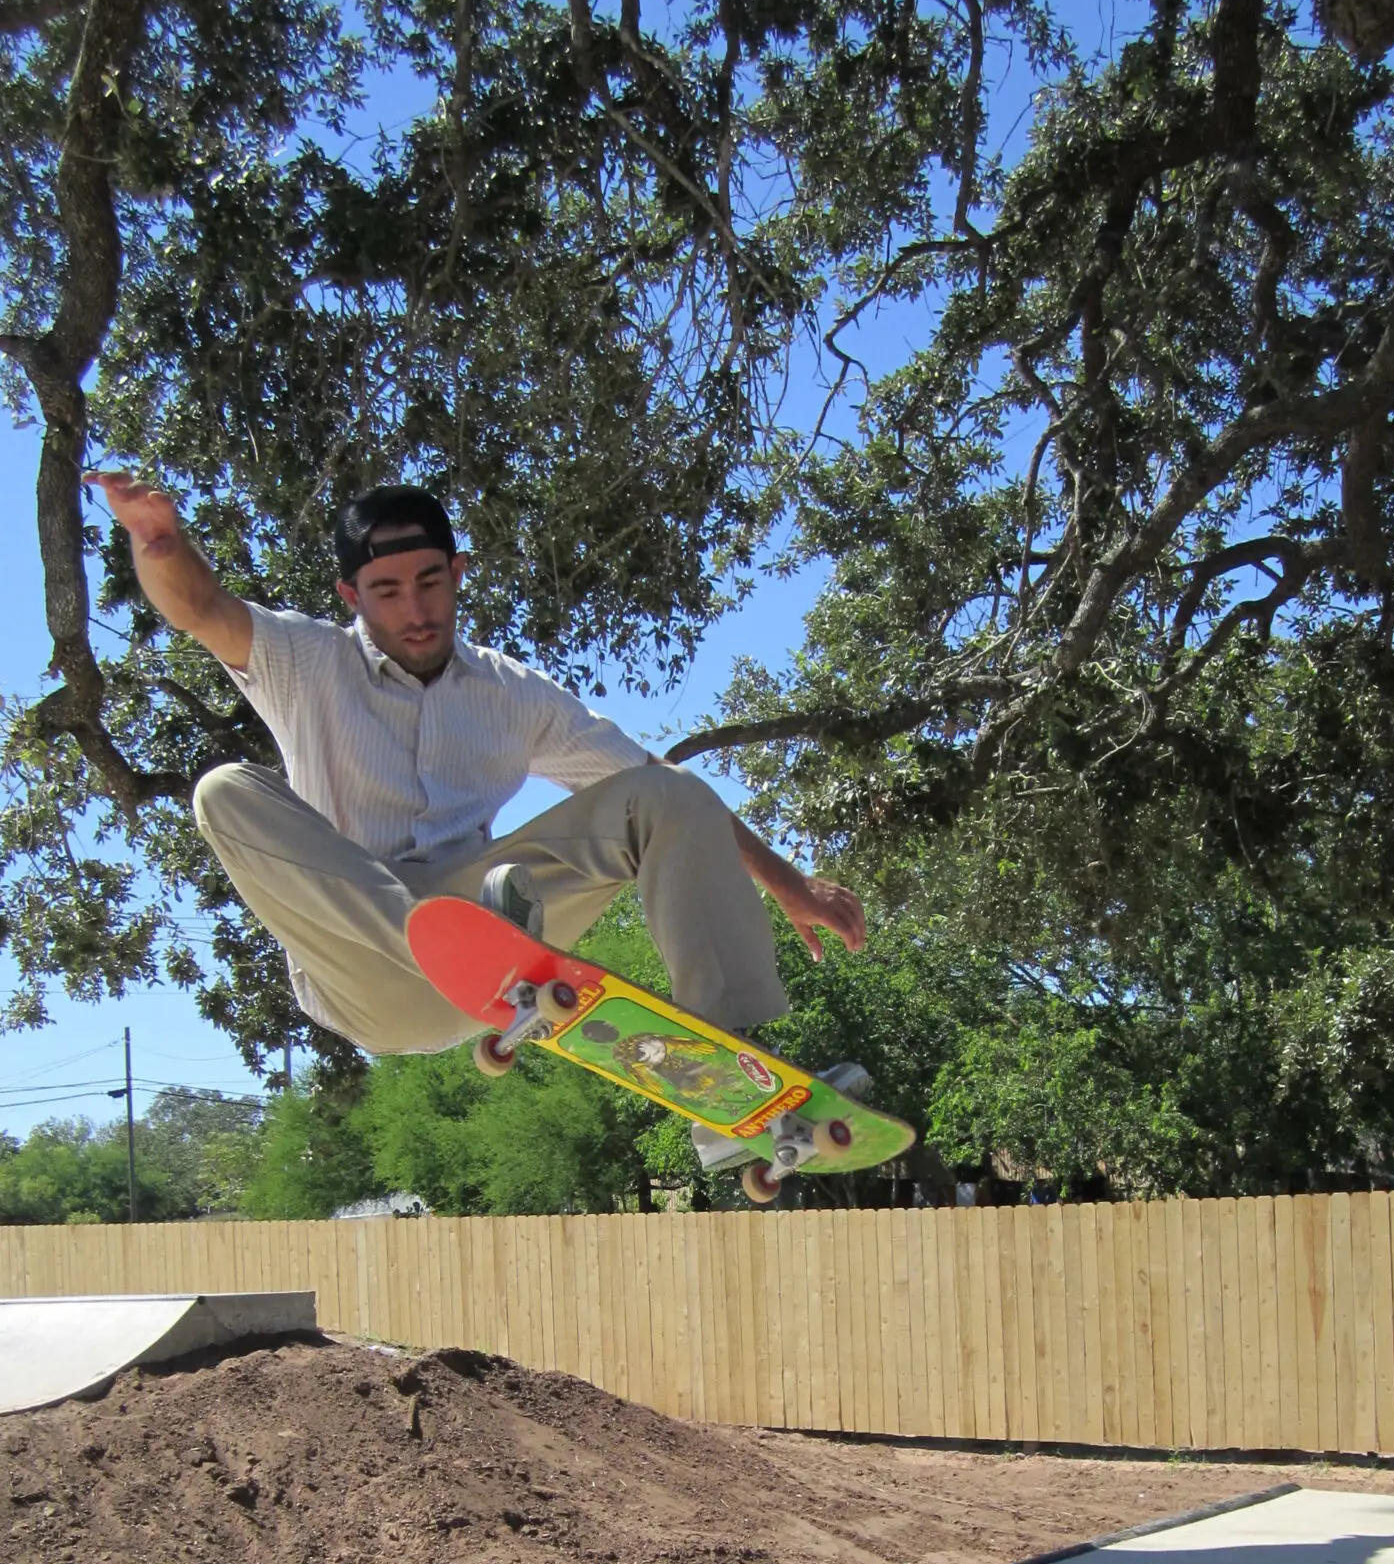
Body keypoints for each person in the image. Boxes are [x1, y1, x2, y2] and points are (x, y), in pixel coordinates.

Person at [88, 475, 870, 1168]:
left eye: (430, 583)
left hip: (485, 929)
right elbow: (201, 608)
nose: (416, 610)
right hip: (362, 966)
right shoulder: (305, 660)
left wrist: (789, 884)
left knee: (667, 795)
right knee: (225, 789)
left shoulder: (512, 692)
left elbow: (662, 792)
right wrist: (159, 542)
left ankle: (733, 1084)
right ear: (351, 597)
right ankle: (458, 945)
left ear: (458, 575)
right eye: (387, 592)